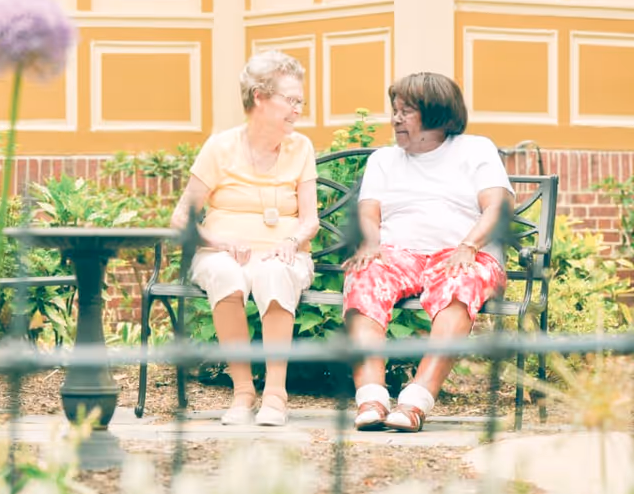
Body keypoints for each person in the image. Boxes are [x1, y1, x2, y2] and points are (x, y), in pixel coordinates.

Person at [344, 72, 514, 433]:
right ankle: (371, 397)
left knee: (459, 283)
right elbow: (369, 212)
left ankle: (416, 400)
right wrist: (371, 243)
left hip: (463, 251)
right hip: (401, 252)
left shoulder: (474, 149)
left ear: (436, 114)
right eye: (394, 110)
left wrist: (469, 245)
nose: (395, 118)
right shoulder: (383, 161)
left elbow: (497, 205)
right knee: (365, 275)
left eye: (406, 111)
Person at [171, 50, 321, 427]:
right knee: (225, 275)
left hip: (282, 253)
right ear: (259, 96)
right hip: (222, 253)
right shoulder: (220, 147)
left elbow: (310, 220)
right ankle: (242, 391)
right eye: (290, 100)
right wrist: (219, 244)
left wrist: (292, 242)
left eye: (300, 101)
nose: (297, 109)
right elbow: (181, 218)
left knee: (273, 274)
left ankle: (275, 393)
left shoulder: (300, 147)